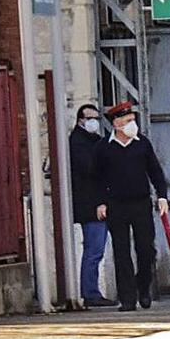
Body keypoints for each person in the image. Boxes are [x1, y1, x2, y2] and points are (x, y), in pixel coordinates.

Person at [93, 101, 170, 312]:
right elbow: (97, 178)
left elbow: (155, 171)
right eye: (127, 121)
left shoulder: (141, 144)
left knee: (146, 249)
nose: (131, 124)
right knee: (121, 251)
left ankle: (143, 287)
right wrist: (100, 202)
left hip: (141, 203)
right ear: (116, 124)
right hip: (116, 205)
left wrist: (162, 196)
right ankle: (127, 298)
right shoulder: (103, 148)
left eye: (133, 120)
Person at [69, 104, 117, 307]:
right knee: (94, 250)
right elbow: (92, 172)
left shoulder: (95, 141)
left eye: (97, 117)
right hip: (91, 205)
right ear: (81, 119)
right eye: (90, 117)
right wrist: (100, 201)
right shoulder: (78, 143)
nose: (94, 121)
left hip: (100, 202)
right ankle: (90, 292)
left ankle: (93, 292)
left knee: (97, 250)